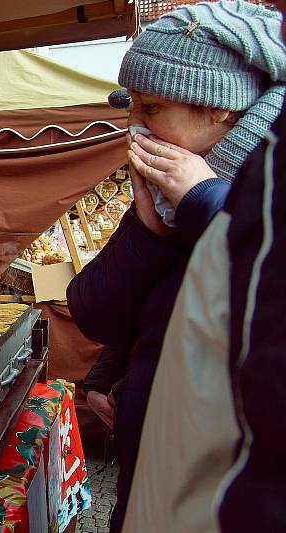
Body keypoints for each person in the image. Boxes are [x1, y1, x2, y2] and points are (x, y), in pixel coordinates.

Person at [66, 2, 286, 531]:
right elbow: (93, 313)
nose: (135, 128)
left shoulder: (267, 182)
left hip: (224, 482)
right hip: (153, 454)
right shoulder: (164, 202)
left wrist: (203, 199)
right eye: (132, 109)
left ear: (220, 108)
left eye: (152, 108)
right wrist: (149, 234)